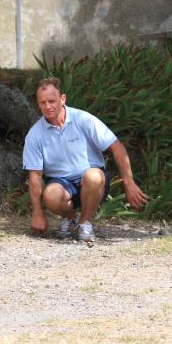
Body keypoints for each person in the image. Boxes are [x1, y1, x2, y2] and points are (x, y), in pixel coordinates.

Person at [22, 77, 148, 241]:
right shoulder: (35, 134)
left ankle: (85, 223)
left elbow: (117, 147)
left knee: (93, 176)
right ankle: (70, 220)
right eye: (42, 102)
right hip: (62, 183)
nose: (48, 106)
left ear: (63, 98)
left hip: (93, 181)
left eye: (52, 101)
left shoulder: (83, 119)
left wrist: (128, 182)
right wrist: (37, 213)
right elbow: (35, 176)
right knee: (50, 195)